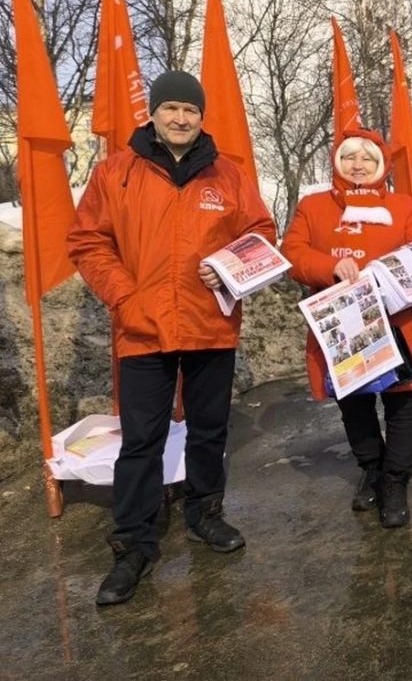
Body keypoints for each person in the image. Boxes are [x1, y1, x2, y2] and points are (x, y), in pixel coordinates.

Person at [67, 70, 277, 606]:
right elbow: (88, 241)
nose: (181, 118)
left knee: (210, 430)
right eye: (172, 109)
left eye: (191, 110)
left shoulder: (227, 175)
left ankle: (206, 513)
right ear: (154, 113)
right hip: (142, 329)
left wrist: (231, 267)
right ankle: (134, 544)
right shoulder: (116, 172)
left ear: (201, 117)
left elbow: (260, 235)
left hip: (211, 326)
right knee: (141, 441)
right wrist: (125, 298)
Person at [281, 128, 412, 529]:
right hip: (344, 324)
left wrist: (386, 270)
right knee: (355, 403)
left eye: (368, 158)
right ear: (337, 162)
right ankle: (371, 468)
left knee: (402, 403)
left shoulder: (402, 206)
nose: (359, 165)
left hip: (398, 319)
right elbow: (293, 253)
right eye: (350, 156)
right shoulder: (314, 207)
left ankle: (396, 481)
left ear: (381, 166)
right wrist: (329, 266)